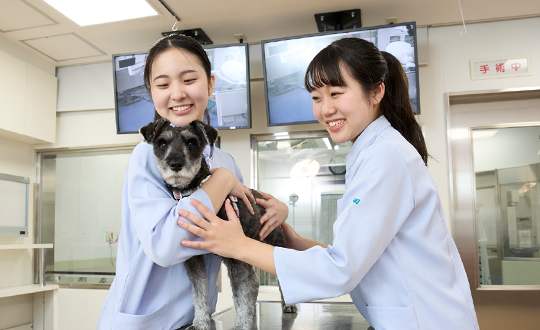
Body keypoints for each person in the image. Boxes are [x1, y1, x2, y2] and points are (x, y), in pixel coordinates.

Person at [178, 38, 480, 330]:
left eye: (336, 93)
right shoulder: (372, 153)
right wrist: (294, 242)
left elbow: (341, 269)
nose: (325, 109)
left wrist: (239, 245)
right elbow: (363, 256)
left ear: (376, 92)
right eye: (316, 97)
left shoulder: (385, 157)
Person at [97, 34, 288, 330]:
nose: (177, 94)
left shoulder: (226, 162)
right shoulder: (145, 158)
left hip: (198, 320)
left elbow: (236, 232)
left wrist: (279, 212)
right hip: (145, 321)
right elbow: (166, 246)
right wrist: (221, 181)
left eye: (188, 80)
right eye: (162, 84)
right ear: (151, 92)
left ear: (211, 84)